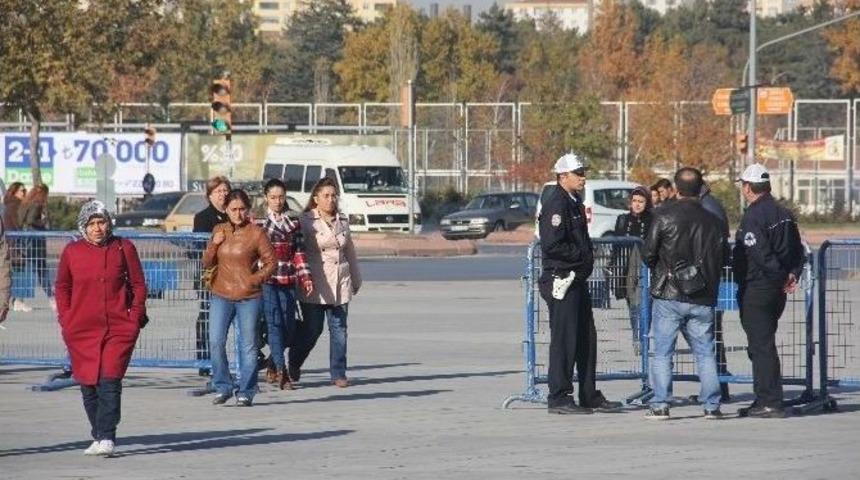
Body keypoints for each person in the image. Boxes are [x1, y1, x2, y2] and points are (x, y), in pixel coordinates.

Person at [55, 201, 148, 456]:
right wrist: (66, 319)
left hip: (118, 327)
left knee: (110, 380)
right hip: (81, 328)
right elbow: (62, 287)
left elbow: (139, 284)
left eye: (101, 222)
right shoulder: (72, 251)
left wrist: (134, 316)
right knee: (88, 384)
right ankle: (98, 433)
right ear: (83, 227)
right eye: (92, 224)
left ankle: (107, 435)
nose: (97, 228)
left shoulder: (123, 247)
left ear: (109, 223)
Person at [538, 153, 622, 415]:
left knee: (586, 338)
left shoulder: (574, 201)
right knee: (565, 341)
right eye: (578, 173)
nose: (583, 177)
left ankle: (588, 394)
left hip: (577, 279)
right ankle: (559, 397)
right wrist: (582, 256)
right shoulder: (556, 203)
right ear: (563, 176)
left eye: (584, 172)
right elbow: (552, 245)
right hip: (562, 278)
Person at [643, 167, 725, 420]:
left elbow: (648, 254)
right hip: (702, 294)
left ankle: (660, 404)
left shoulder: (662, 215)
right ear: (701, 189)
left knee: (663, 352)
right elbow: (723, 257)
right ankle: (712, 405)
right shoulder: (714, 221)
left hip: (669, 293)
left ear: (676, 189)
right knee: (705, 353)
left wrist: (664, 268)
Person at [732, 164, 804, 419]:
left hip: (759, 286)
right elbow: (798, 250)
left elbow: (760, 254)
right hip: (775, 288)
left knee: (761, 346)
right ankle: (765, 396)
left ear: (748, 188)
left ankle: (770, 400)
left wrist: (782, 277)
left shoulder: (754, 216)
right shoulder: (784, 213)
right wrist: (792, 274)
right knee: (763, 344)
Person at [203, 189, 276, 407]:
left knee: (249, 345)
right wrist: (214, 244)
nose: (238, 213)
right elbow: (206, 262)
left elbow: (271, 262)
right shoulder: (219, 230)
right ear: (226, 209)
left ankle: (246, 390)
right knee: (215, 341)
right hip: (221, 294)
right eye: (233, 209)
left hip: (249, 297)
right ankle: (223, 386)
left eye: (242, 209)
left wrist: (255, 279)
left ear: (248, 209)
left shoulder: (256, 233)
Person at [290, 177, 362, 388]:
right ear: (316, 198)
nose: (331, 199)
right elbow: (297, 251)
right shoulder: (305, 221)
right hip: (315, 282)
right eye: (326, 196)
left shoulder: (343, 221)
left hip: (340, 281)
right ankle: (294, 362)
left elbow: (350, 251)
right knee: (312, 330)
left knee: (339, 329)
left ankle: (338, 373)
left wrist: (356, 278)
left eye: (333, 195)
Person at [260, 178, 313, 390]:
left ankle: (273, 362)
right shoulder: (258, 222)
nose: (277, 201)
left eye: (281, 197)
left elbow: (299, 252)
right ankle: (283, 373)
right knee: (274, 324)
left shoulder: (293, 222)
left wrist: (306, 277)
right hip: (267, 280)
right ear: (266, 198)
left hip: (288, 279)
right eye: (273, 197)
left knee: (289, 327)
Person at [192, 176, 231, 377]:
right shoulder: (203, 217)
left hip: (233, 274)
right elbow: (199, 246)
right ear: (210, 195)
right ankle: (205, 360)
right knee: (207, 316)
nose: (223, 195)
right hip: (210, 274)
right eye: (218, 191)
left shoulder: (234, 213)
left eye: (225, 190)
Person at [699, 180, 732, 402]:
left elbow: (713, 243)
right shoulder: (709, 205)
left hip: (710, 279)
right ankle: (718, 384)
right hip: (711, 277)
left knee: (710, 335)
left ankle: (718, 386)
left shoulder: (707, 207)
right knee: (710, 335)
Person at [611, 186, 653, 345]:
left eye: (641, 201)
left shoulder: (653, 219)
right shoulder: (623, 219)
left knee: (644, 304)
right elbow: (616, 246)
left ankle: (643, 337)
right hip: (627, 268)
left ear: (647, 203)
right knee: (633, 304)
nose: (637, 204)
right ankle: (637, 336)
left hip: (646, 266)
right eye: (634, 201)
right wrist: (613, 266)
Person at [18, 184, 53, 310]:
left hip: (27, 240)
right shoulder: (37, 204)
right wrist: (43, 222)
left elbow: (23, 220)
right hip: (35, 240)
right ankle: (51, 298)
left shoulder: (26, 203)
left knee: (30, 270)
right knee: (40, 269)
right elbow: (31, 220)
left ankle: (19, 300)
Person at [3, 182, 30, 312]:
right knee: (20, 272)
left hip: (13, 243)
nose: (24, 193)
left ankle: (15, 300)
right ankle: (18, 301)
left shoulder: (10, 205)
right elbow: (18, 223)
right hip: (14, 243)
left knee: (13, 273)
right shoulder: (15, 206)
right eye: (22, 191)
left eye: (25, 191)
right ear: (14, 192)